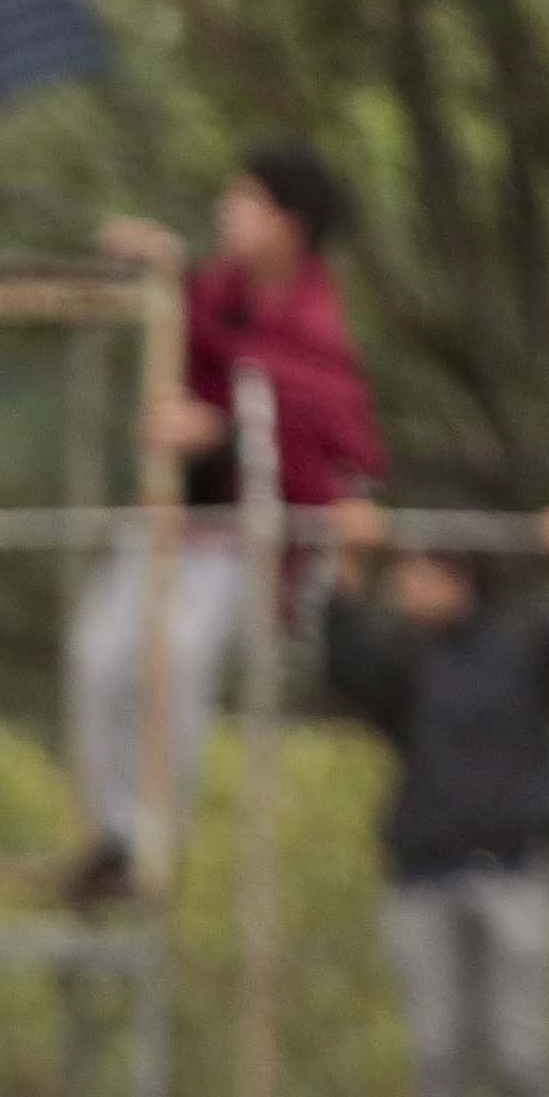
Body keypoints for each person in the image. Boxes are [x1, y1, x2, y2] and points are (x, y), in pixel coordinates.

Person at [70, 146, 385, 900]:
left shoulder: (314, 318)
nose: (226, 210)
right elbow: (199, 332)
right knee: (97, 655)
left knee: (174, 662)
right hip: (174, 521)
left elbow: (322, 428)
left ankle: (152, 844)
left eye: (245, 199)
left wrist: (216, 428)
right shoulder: (222, 290)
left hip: (246, 538)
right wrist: (159, 263)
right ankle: (111, 834)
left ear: (290, 223)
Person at [323, 500, 549, 1097]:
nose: (406, 587)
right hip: (423, 877)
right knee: (437, 1056)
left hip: (514, 869)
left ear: (459, 576)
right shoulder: (401, 658)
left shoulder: (525, 644)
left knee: (521, 1054)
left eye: (419, 572)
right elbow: (341, 660)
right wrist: (345, 563)